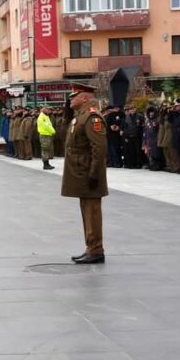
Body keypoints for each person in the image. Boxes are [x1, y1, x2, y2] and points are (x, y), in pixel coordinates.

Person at [61, 84, 107, 265]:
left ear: (85, 98)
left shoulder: (91, 117)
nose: (70, 99)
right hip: (81, 171)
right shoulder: (80, 115)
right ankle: (91, 247)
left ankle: (96, 250)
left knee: (92, 212)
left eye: (74, 96)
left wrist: (94, 174)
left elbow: (99, 147)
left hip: (88, 171)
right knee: (86, 211)